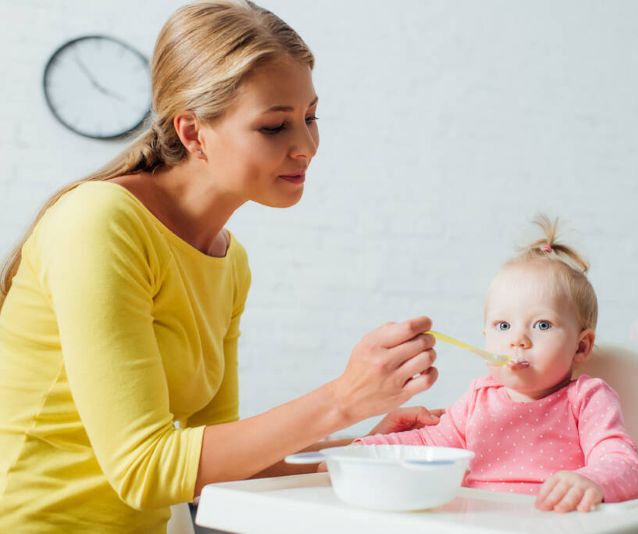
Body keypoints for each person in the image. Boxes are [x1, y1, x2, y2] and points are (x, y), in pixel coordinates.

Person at [0, 1, 441, 531]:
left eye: (310, 117)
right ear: (192, 133)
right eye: (274, 126)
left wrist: (369, 449)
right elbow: (145, 470)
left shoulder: (229, 261)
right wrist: (343, 399)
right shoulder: (100, 223)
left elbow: (217, 467)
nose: (305, 146)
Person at [356, 216, 638, 513]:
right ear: (485, 336)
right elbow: (428, 443)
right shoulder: (477, 399)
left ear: (581, 346)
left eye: (542, 325)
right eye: (503, 326)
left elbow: (621, 463)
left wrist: (593, 480)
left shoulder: (586, 399)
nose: (517, 340)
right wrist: (364, 450)